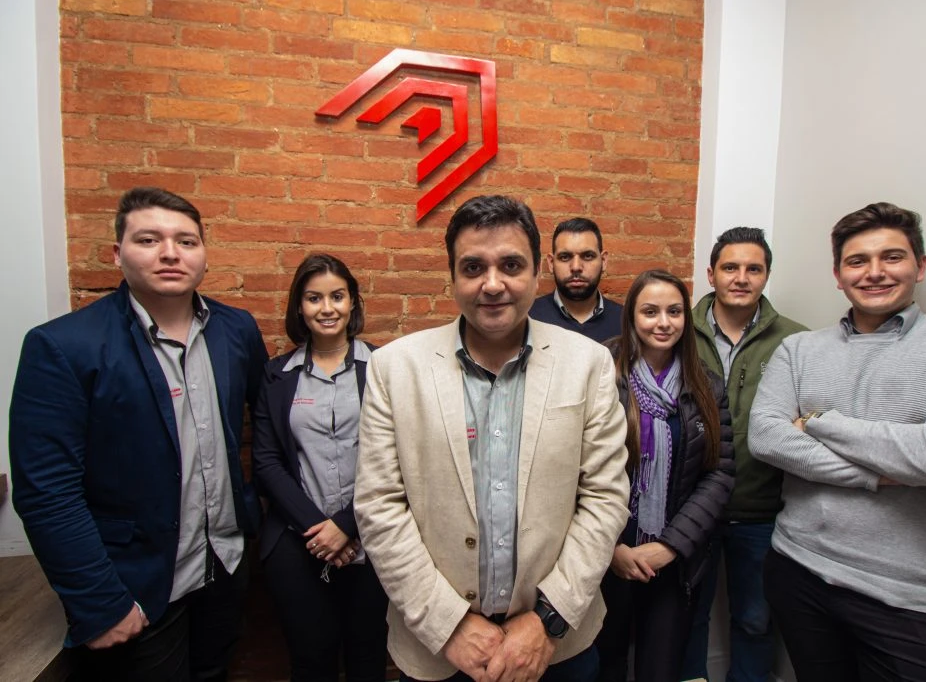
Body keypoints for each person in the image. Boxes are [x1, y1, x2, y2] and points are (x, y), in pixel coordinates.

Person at [354, 195, 630, 682]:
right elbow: (379, 506)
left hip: (557, 646)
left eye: (511, 265)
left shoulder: (588, 364)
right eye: (473, 267)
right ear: (452, 276)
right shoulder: (394, 368)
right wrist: (448, 624)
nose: (493, 283)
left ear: (537, 273)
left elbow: (604, 499)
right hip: (439, 650)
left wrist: (547, 620)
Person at [749, 202, 926, 681]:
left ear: (920, 265)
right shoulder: (799, 349)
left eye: (892, 257)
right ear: (838, 275)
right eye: (857, 261)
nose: (874, 272)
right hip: (799, 567)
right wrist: (882, 474)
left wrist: (818, 421)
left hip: (911, 596)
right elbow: (766, 438)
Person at [10, 186, 268, 680]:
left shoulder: (235, 329)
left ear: (203, 254)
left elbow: (268, 424)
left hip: (224, 565)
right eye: (149, 240)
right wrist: (98, 601)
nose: (170, 253)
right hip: (135, 587)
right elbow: (46, 491)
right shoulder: (64, 346)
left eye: (186, 241)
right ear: (117, 253)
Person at [594, 269, 735, 682]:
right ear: (631, 317)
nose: (663, 322)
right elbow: (577, 468)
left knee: (661, 668)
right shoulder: (601, 374)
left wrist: (671, 546)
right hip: (607, 553)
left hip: (674, 558)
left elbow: (720, 473)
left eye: (674, 311)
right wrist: (612, 549)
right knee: (605, 664)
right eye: (650, 311)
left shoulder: (706, 384)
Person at [251, 253, 387, 681]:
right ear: (299, 307)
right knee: (311, 662)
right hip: (297, 543)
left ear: (352, 303)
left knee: (368, 661)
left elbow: (400, 458)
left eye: (337, 297)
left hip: (373, 541)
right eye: (314, 298)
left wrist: (346, 525)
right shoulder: (276, 375)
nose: (327, 308)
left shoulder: (384, 368)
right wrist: (319, 529)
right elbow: (266, 462)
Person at [682, 227, 806, 682]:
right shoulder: (678, 331)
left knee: (756, 620)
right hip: (690, 508)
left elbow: (808, 416)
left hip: (761, 510)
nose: (741, 278)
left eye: (754, 269)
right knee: (687, 617)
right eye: (730, 267)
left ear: (766, 275)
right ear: (711, 273)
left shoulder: (795, 341)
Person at [529, 217, 623, 342]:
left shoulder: (626, 320)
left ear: (603, 261)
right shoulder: (527, 317)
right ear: (551, 263)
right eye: (565, 257)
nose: (576, 267)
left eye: (588, 256)